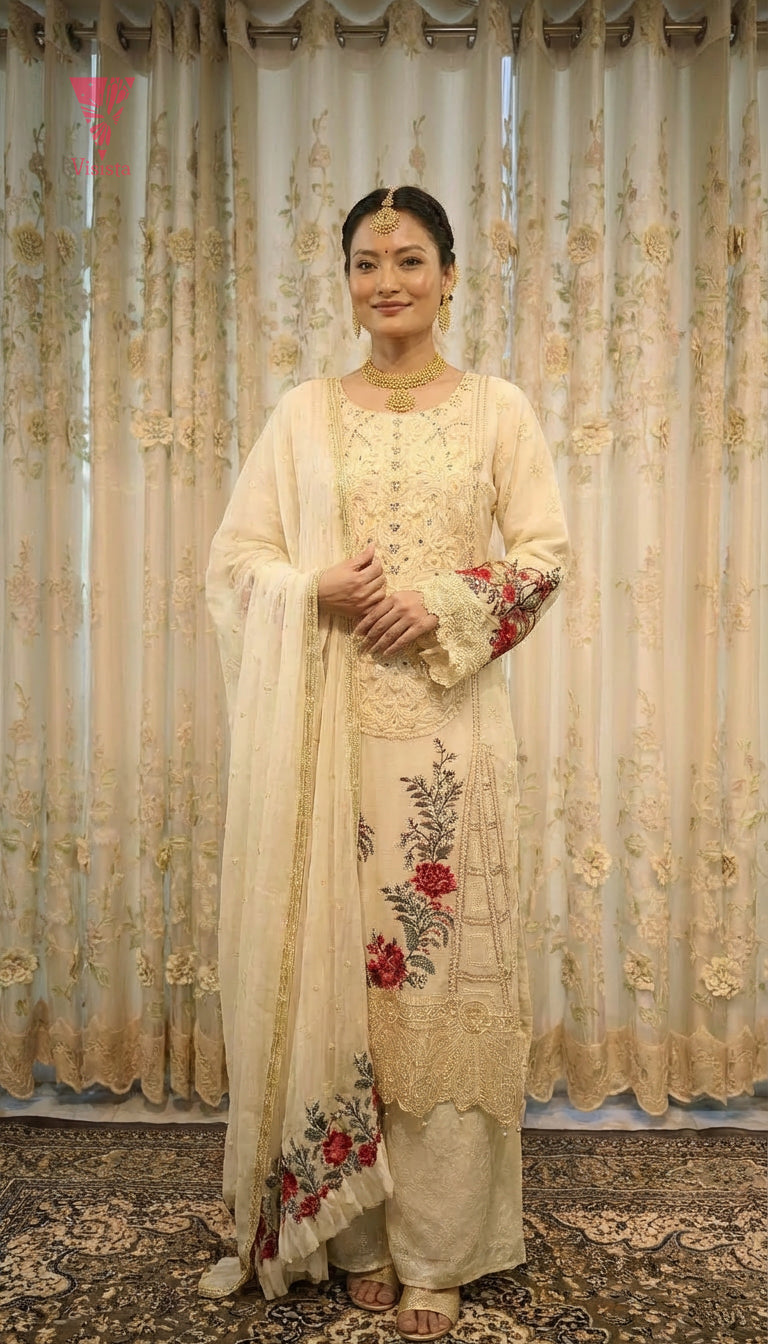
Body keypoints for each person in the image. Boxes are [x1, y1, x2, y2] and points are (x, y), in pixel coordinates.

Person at [200, 185, 571, 1341]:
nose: (388, 281)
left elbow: (544, 556)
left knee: (438, 989)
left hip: (450, 747)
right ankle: (353, 1233)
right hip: (328, 744)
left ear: (450, 277)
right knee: (340, 984)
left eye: (410, 259)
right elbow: (234, 564)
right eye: (368, 261)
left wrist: (443, 601)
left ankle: (437, 1250)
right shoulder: (302, 414)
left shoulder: (498, 409)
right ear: (348, 281)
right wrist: (309, 588)